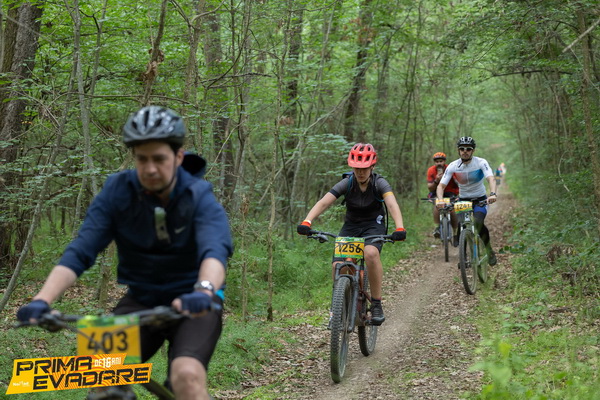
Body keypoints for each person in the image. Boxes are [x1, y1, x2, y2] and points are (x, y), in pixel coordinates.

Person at [16, 106, 233, 400]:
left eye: (159, 158)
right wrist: (42, 299)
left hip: (195, 302)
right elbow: (81, 250)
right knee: (102, 374)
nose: (150, 168)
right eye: (142, 159)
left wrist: (204, 290)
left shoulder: (198, 195)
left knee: (186, 376)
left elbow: (214, 250)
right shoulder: (117, 192)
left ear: (178, 157)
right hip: (142, 299)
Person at [296, 143, 406, 325]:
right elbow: (324, 202)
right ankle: (339, 307)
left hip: (373, 225)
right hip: (351, 227)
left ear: (372, 167)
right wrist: (307, 221)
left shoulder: (379, 183)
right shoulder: (347, 183)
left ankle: (376, 303)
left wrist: (399, 227)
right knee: (338, 266)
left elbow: (392, 204)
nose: (360, 172)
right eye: (357, 168)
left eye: (364, 168)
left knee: (370, 253)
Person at [436, 136, 497, 266]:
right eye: (462, 149)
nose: (465, 151)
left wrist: (492, 194)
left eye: (468, 149)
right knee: (461, 225)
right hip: (463, 200)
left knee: (478, 223)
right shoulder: (453, 166)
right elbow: (441, 186)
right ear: (458, 150)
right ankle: (463, 258)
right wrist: (440, 200)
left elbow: (491, 178)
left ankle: (489, 250)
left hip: (480, 199)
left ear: (473, 150)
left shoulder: (481, 162)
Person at [426, 152, 459, 245]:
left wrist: (451, 177)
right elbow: (430, 187)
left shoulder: (450, 168)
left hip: (450, 192)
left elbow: (458, 182)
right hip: (436, 192)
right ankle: (438, 227)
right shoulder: (431, 170)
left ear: (444, 161)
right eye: (437, 162)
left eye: (441, 161)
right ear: (434, 162)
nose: (439, 163)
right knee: (437, 204)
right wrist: (436, 180)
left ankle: (455, 232)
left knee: (452, 210)